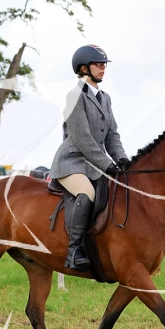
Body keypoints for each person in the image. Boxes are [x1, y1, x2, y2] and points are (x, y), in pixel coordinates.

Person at [50, 44, 131, 271]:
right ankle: (74, 251)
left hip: (93, 163)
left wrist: (122, 159)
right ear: (84, 68)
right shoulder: (75, 96)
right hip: (71, 162)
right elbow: (83, 138)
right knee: (87, 194)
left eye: (104, 64)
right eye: (98, 64)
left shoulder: (105, 98)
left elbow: (112, 134)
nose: (103, 68)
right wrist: (107, 164)